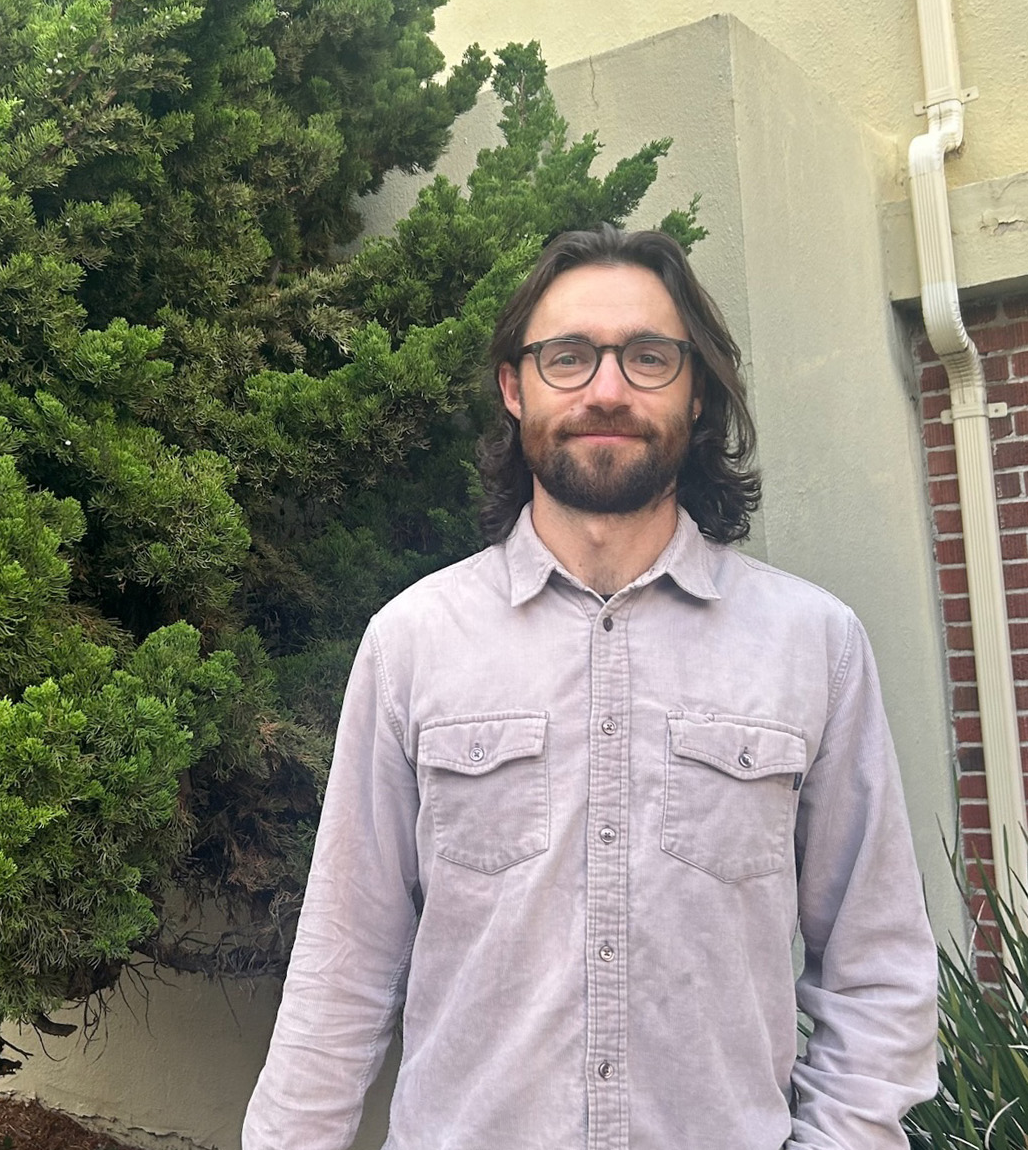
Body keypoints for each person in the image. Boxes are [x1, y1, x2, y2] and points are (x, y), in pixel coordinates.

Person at [243, 226, 938, 1150]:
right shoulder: (411, 644)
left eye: (648, 357)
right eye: (568, 357)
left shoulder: (814, 645)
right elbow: (343, 965)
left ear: (697, 392)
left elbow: (877, 962)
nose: (607, 390)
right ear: (514, 386)